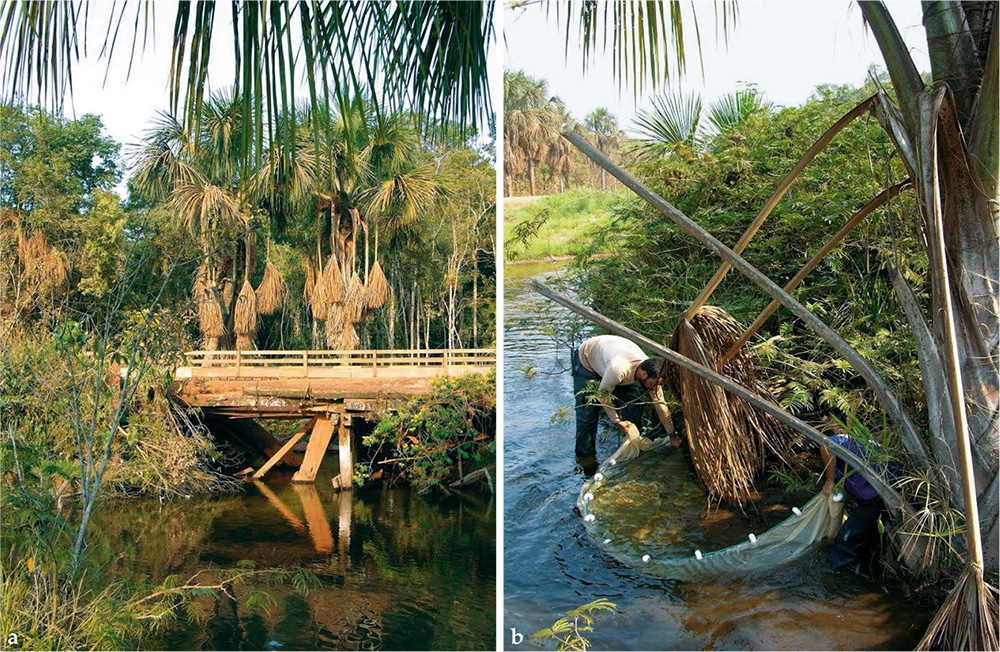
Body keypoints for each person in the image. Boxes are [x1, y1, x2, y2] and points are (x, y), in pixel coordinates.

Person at [571, 334, 678, 461]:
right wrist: (617, 421)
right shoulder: (619, 370)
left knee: (632, 407)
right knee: (587, 415)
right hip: (587, 360)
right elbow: (603, 395)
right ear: (643, 374)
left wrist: (672, 434)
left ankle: (630, 447)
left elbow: (660, 405)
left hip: (610, 361)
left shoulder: (653, 373)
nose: (653, 388)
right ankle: (585, 459)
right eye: (653, 384)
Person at [820, 421, 887, 573]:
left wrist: (830, 480)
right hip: (880, 499)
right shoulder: (866, 444)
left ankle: (837, 576)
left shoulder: (842, 441)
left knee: (843, 543)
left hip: (873, 501)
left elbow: (826, 445)